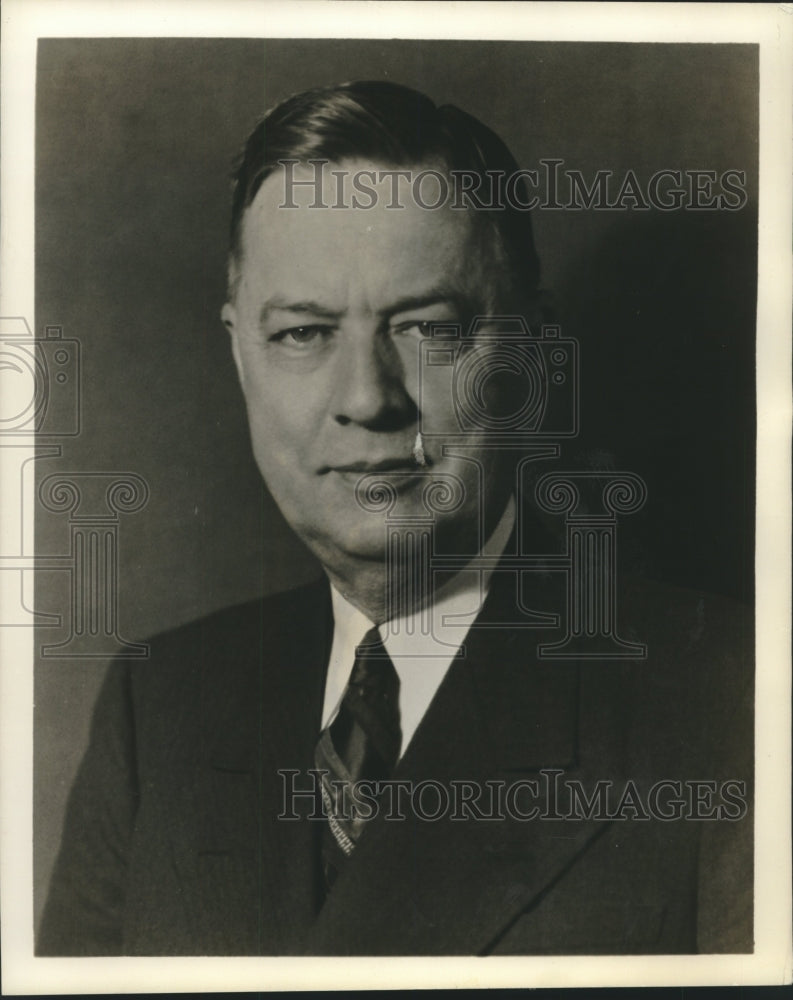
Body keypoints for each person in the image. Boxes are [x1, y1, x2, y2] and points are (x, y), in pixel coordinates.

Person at [37, 81, 753, 956]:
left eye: (427, 328)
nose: (367, 398)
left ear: (531, 351)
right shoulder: (161, 709)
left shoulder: (730, 707)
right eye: (303, 333)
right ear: (238, 354)